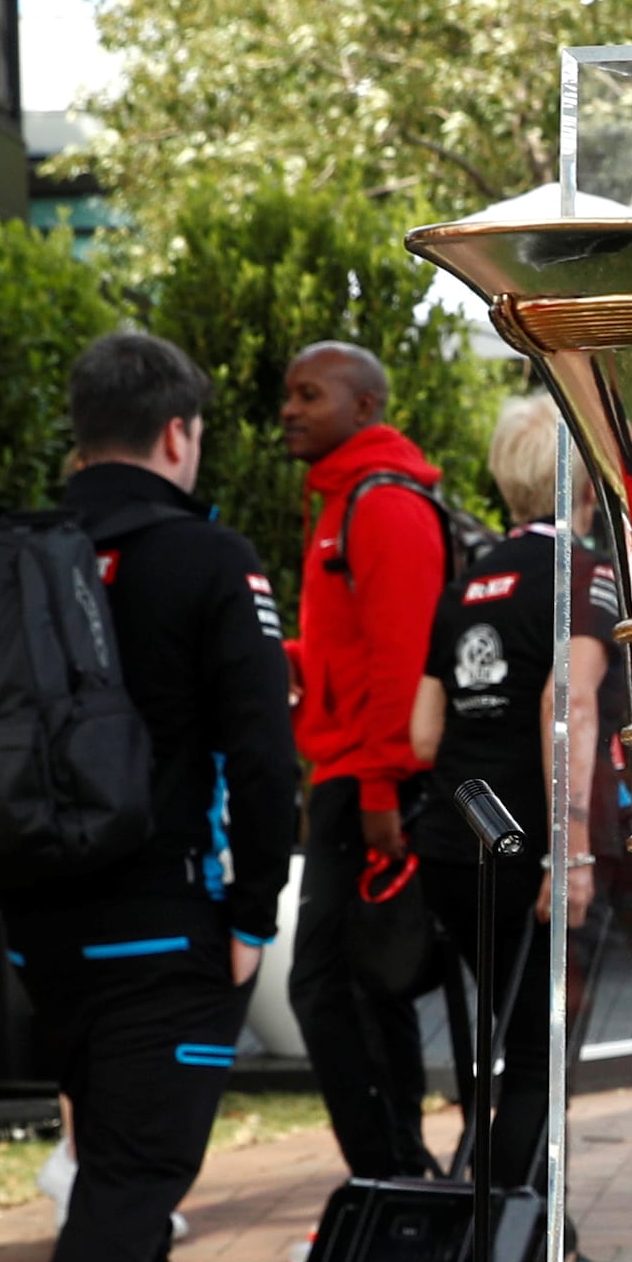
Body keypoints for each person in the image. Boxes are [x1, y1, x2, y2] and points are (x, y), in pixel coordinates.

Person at [0, 331, 301, 1262]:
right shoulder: (208, 561)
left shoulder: (17, 557)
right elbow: (263, 756)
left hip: (37, 933)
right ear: (179, 435)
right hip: (165, 928)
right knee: (133, 1180)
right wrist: (251, 914)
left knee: (117, 1159)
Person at [409, 392, 619, 1262]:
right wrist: (569, 850)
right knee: (538, 1055)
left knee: (505, 1041)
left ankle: (550, 1237)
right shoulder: (583, 573)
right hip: (535, 855)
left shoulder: (467, 582)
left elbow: (423, 736)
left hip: (455, 845)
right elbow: (563, 702)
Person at [278, 340, 456, 1178]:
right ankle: (399, 1174)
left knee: (325, 988)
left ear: (363, 408)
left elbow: (401, 659)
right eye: (289, 394)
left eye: (309, 394)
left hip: (368, 784)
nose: (289, 409)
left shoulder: (381, 504)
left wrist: (383, 787)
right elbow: (354, 654)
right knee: (359, 986)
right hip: (347, 776)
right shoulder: (343, 500)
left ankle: (385, 1175)